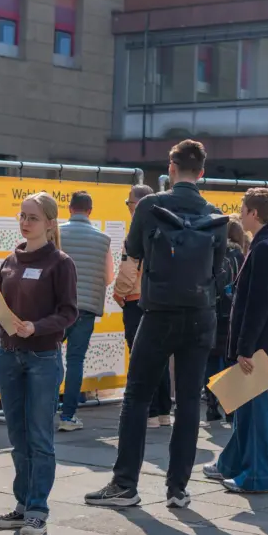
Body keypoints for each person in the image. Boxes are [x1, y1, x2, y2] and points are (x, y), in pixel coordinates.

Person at [86, 139, 227, 510]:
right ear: (202, 173)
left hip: (159, 312)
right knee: (189, 402)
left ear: (170, 167)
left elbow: (133, 251)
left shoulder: (150, 206)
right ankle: (178, 489)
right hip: (200, 316)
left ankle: (125, 484)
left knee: (136, 397)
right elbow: (219, 272)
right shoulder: (215, 216)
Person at [0, 192, 78, 535]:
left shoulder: (59, 262)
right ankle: (22, 505)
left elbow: (69, 313)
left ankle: (38, 510)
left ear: (50, 223)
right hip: (10, 355)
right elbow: (6, 313)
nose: (25, 223)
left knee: (39, 437)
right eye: (22, 216)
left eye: (32, 217)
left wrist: (38, 326)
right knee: (17, 436)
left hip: (43, 357)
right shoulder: (11, 259)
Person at [203, 188, 268, 493]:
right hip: (267, 341)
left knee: (254, 411)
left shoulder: (264, 248)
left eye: (244, 209)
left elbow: (257, 303)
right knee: (244, 406)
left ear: (254, 214)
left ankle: (258, 476)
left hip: (259, 344)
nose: (240, 213)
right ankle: (230, 464)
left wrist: (245, 348)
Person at [57, 191, 115, 432]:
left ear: (70, 208)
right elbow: (109, 277)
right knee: (75, 361)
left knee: (48, 356)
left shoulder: (56, 234)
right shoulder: (103, 240)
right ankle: (68, 416)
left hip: (58, 307)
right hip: (87, 309)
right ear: (90, 211)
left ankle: (43, 409)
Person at [114, 184, 170, 429]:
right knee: (161, 357)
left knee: (141, 358)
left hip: (136, 300)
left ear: (137, 205)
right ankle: (164, 412)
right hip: (162, 301)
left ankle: (150, 412)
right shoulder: (166, 227)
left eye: (128, 203)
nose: (127, 207)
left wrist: (118, 293)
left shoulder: (137, 231)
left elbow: (128, 272)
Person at [206, 218, 246, 423]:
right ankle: (231, 407)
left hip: (213, 310)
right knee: (230, 359)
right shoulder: (240, 255)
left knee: (212, 359)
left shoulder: (214, 252)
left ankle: (211, 405)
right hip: (232, 312)